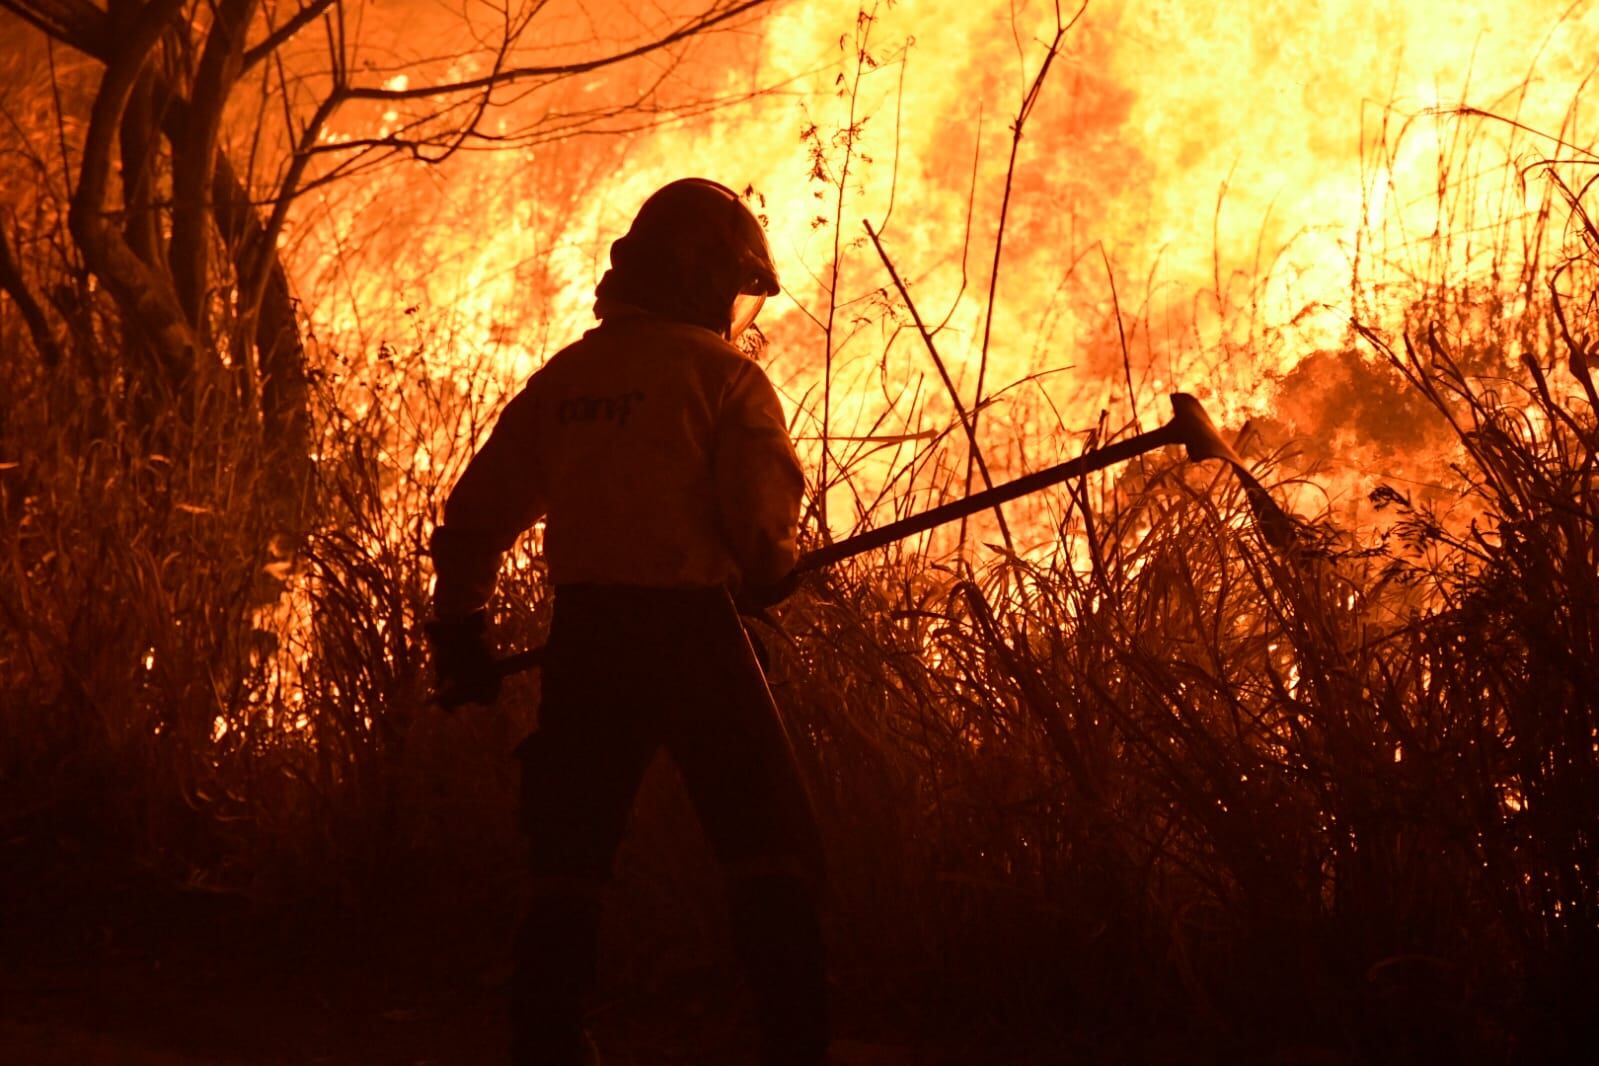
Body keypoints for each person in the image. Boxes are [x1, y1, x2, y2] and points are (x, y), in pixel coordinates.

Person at [425, 178, 829, 1066]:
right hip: (698, 637)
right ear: (703, 279)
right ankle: (794, 1043)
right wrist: (775, 575)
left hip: (590, 641)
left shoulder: (571, 377)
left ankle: (547, 1037)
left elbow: (475, 518)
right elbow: (762, 538)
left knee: (568, 850)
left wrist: (459, 634)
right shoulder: (727, 378)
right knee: (764, 844)